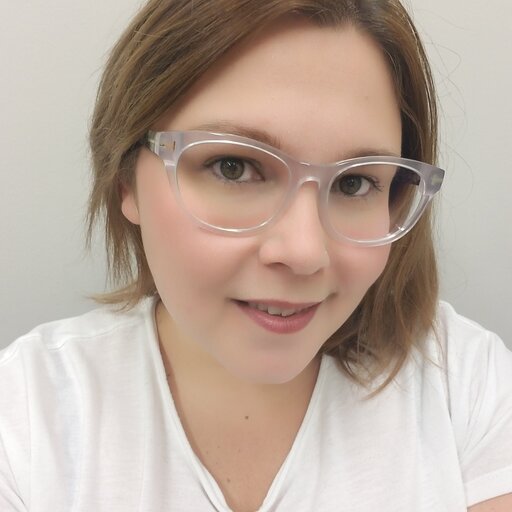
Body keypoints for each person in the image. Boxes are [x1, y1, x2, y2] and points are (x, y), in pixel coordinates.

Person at [1, 0, 511, 510]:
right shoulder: (28, 413)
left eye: (354, 183)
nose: (305, 251)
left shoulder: (465, 383)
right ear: (125, 181)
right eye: (234, 167)